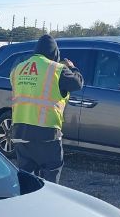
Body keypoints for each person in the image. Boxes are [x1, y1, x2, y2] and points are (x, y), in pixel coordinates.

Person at [9, 34, 83, 183]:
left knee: (26, 177)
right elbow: (78, 83)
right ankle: (46, 204)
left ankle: (25, 203)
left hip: (20, 132)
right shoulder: (58, 69)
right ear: (55, 53)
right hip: (46, 134)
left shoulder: (17, 69)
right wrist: (72, 67)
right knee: (50, 175)